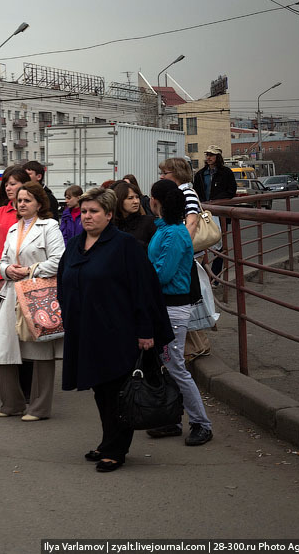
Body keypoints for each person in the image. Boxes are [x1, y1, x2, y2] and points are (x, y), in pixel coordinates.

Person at [57, 187, 173, 472]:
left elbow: (144, 291)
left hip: (118, 331)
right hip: (86, 331)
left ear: (109, 214)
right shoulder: (74, 245)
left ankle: (116, 449)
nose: (87, 217)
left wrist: (146, 331)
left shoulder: (125, 246)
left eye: (94, 211)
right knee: (100, 390)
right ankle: (108, 440)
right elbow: (63, 280)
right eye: (83, 212)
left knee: (117, 392)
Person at [145, 179, 213, 446]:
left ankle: (201, 423)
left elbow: (163, 273)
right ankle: (173, 418)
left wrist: (140, 276)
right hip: (165, 306)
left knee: (175, 366)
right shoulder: (167, 229)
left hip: (172, 307)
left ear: (155, 201)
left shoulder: (172, 233)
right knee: (168, 365)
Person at [0, 182, 64, 421]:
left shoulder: (49, 226)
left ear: (39, 204)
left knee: (40, 349)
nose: (21, 204)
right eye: (19, 200)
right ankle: (12, 404)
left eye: (27, 200)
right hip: (12, 293)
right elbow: (2, 261)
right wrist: (7, 269)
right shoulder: (12, 229)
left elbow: (59, 260)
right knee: (3, 345)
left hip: (39, 293)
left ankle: (40, 408)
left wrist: (30, 270)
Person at [0, 166, 33, 397]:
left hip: (27, 283)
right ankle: (12, 392)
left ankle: (30, 387)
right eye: (7, 184)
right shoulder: (1, 212)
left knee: (28, 337)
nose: (9, 187)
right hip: (3, 284)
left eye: (13, 183)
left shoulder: (32, 213)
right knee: (7, 337)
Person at [159, 158, 213, 361]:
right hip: (186, 254)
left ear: (177, 174)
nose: (162, 176)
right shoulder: (182, 192)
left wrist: (181, 248)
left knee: (187, 303)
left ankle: (198, 347)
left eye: (165, 173)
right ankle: (195, 346)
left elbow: (191, 222)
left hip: (186, 255)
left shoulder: (186, 193)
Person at [192, 146, 236, 281]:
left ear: (218, 157)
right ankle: (206, 276)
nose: (209, 158)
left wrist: (216, 201)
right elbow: (196, 192)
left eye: (212, 155)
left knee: (219, 244)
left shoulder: (226, 173)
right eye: (207, 155)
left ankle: (215, 277)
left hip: (220, 212)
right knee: (202, 243)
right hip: (205, 212)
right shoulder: (200, 174)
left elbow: (231, 191)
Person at [111, 180, 156, 250]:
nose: (136, 201)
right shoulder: (111, 224)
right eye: (130, 198)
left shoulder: (149, 222)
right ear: (119, 200)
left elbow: (155, 250)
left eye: (137, 197)